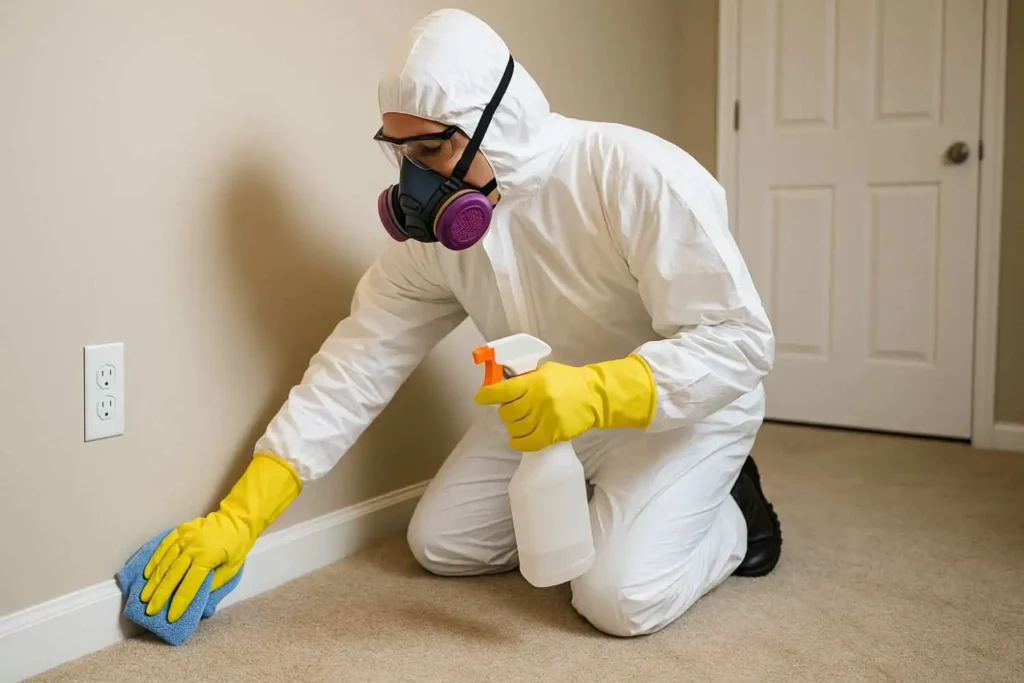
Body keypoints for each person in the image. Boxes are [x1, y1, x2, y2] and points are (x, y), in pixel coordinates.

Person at [139, 8, 781, 638]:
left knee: (617, 598)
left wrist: (600, 392)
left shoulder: (631, 173)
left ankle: (729, 515)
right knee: (440, 543)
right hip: (547, 412)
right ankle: (620, 499)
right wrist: (240, 517)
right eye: (402, 152)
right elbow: (355, 365)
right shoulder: (435, 245)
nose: (415, 176)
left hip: (678, 410)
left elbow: (741, 342)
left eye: (432, 147)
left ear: (493, 121)